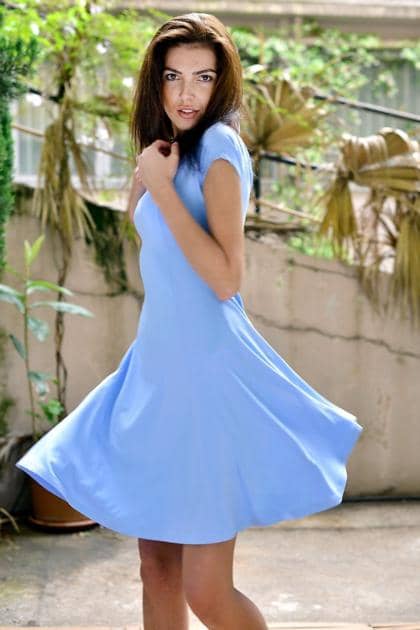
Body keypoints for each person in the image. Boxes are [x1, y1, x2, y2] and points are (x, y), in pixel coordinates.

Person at [16, 12, 363, 630]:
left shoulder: (221, 148)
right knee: (156, 568)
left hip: (206, 375)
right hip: (159, 369)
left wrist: (162, 188)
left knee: (206, 589)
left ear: (221, 83)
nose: (186, 93)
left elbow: (226, 277)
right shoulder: (166, 153)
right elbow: (156, 242)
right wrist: (151, 179)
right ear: (155, 81)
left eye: (203, 77)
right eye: (173, 76)